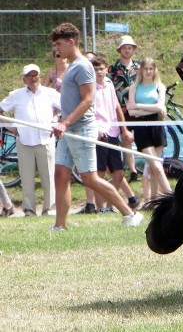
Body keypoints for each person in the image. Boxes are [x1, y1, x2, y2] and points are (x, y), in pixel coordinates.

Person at [49, 23, 143, 231]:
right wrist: (60, 121)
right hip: (69, 129)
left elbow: (87, 100)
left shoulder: (82, 66)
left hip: (81, 128)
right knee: (61, 174)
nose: (57, 49)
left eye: (59, 44)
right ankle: (60, 226)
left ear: (71, 42)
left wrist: (65, 122)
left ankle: (130, 213)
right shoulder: (72, 66)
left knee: (89, 178)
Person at [0, 64, 61, 216]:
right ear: (24, 79)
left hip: (45, 139)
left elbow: (65, 107)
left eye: (36, 75)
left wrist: (56, 119)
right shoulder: (16, 94)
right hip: (24, 140)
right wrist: (11, 128)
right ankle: (29, 210)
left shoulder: (50, 93)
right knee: (27, 179)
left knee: (48, 177)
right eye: (30, 76)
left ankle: (50, 209)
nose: (33, 78)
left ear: (40, 77)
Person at [91, 56, 138, 212]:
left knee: (118, 173)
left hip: (112, 132)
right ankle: (99, 207)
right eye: (96, 69)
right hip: (99, 133)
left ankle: (110, 205)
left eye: (101, 68)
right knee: (99, 173)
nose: (99, 72)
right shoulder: (89, 87)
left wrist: (123, 129)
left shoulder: (109, 84)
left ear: (106, 69)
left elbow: (117, 106)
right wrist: (96, 128)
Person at [126, 57, 172, 200]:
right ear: (141, 70)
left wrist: (139, 106)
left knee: (153, 168)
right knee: (156, 165)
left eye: (151, 69)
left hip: (156, 126)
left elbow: (160, 106)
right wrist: (153, 109)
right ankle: (172, 196)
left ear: (154, 70)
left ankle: (154, 199)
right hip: (141, 128)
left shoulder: (160, 86)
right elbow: (131, 112)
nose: (148, 72)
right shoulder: (134, 87)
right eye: (145, 69)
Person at [108, 35, 140, 180]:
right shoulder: (113, 68)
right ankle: (133, 170)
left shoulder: (139, 67)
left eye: (129, 48)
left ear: (133, 49)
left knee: (141, 137)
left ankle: (146, 168)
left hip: (138, 108)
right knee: (126, 139)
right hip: (120, 109)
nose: (127, 50)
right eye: (124, 48)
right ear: (120, 50)